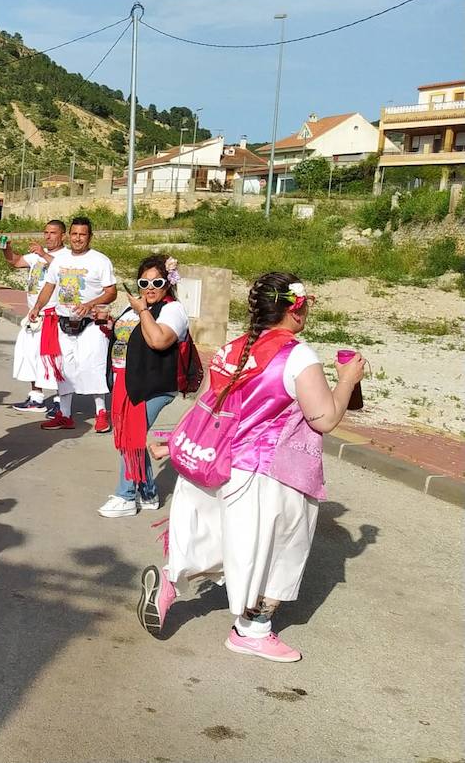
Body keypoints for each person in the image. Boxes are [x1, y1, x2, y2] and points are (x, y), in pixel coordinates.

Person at [137, 273, 366, 663]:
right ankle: (253, 630)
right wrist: (347, 379)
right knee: (279, 549)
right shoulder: (296, 354)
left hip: (218, 462)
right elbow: (324, 418)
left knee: (222, 538)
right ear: (296, 307)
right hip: (268, 471)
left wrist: (175, 440)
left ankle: (170, 583)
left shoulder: (233, 348)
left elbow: (209, 405)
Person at [95, 255, 188, 518]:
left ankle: (125, 496)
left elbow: (159, 340)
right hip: (126, 380)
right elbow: (128, 336)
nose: (150, 288)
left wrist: (142, 311)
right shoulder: (136, 307)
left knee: (131, 436)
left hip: (153, 383)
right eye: (143, 282)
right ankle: (148, 492)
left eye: (157, 282)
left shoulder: (172, 310)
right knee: (129, 435)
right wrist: (109, 325)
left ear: (168, 284)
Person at [26, 217, 117, 433]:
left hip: (91, 323)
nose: (78, 238)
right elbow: (49, 286)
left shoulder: (100, 261)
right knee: (64, 369)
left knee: (92, 365)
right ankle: (65, 415)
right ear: (70, 235)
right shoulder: (60, 260)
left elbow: (111, 292)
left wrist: (90, 304)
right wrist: (37, 307)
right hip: (64, 322)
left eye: (82, 234)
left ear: (90, 237)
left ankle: (101, 413)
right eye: (74, 234)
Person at [3, 220, 66, 413]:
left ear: (62, 235)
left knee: (53, 359)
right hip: (34, 315)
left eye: (53, 233)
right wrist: (6, 249)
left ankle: (60, 400)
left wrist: (44, 254)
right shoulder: (36, 256)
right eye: (46, 232)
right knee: (30, 355)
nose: (48, 236)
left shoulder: (66, 256)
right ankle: (36, 396)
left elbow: (64, 271)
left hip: (53, 315)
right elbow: (16, 261)